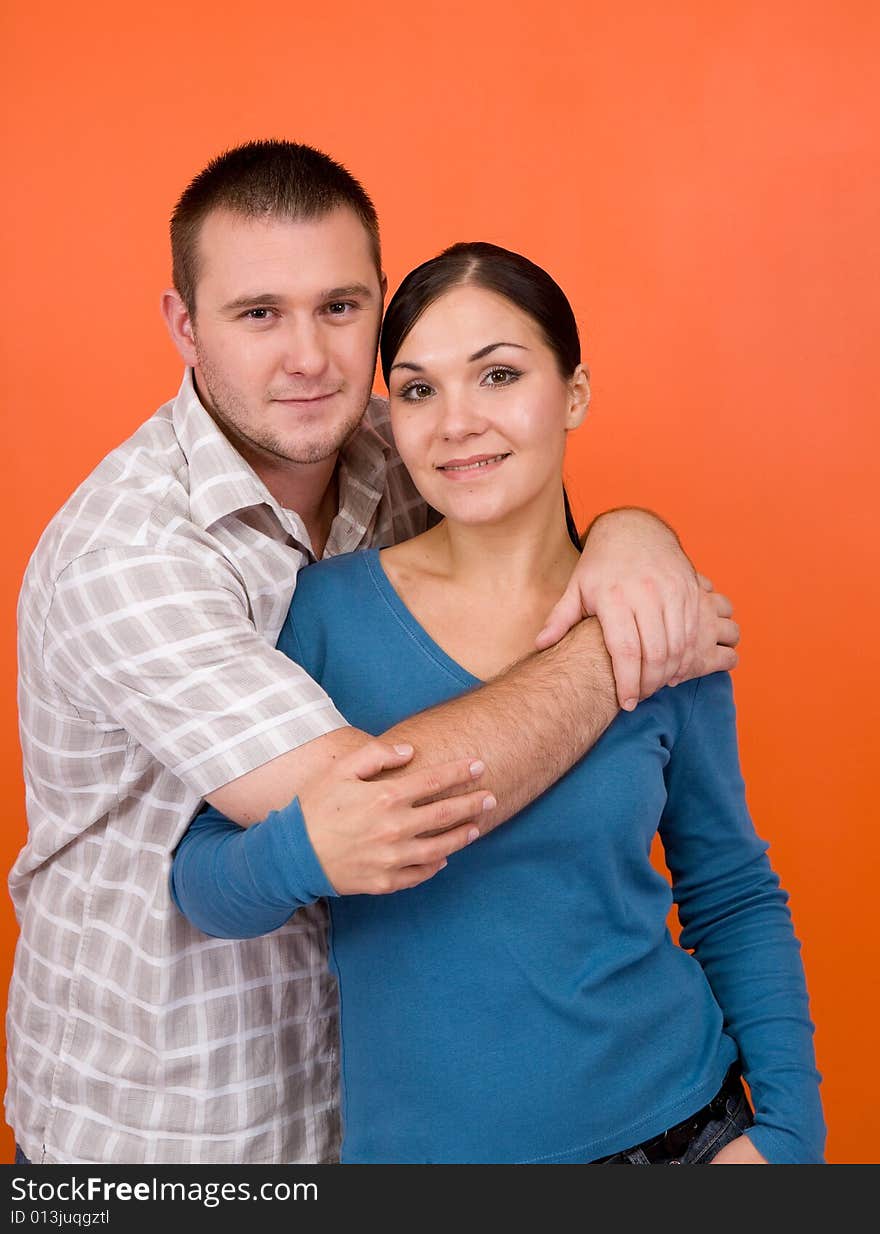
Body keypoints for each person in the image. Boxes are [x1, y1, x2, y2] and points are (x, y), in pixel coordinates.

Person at [8, 142, 738, 1166]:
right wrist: (613, 647)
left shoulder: (403, 452)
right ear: (184, 325)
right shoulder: (127, 555)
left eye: (340, 308)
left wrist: (634, 533)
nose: (306, 355)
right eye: (258, 313)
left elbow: (528, 496)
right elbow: (389, 802)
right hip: (165, 1125)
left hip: (366, 1113)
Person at [172, 242, 825, 1165]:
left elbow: (731, 890)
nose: (457, 423)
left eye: (500, 375)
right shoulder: (325, 612)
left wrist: (791, 1139)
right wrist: (313, 846)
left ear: (576, 394)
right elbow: (204, 883)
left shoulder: (655, 614)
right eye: (418, 390)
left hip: (678, 1131)